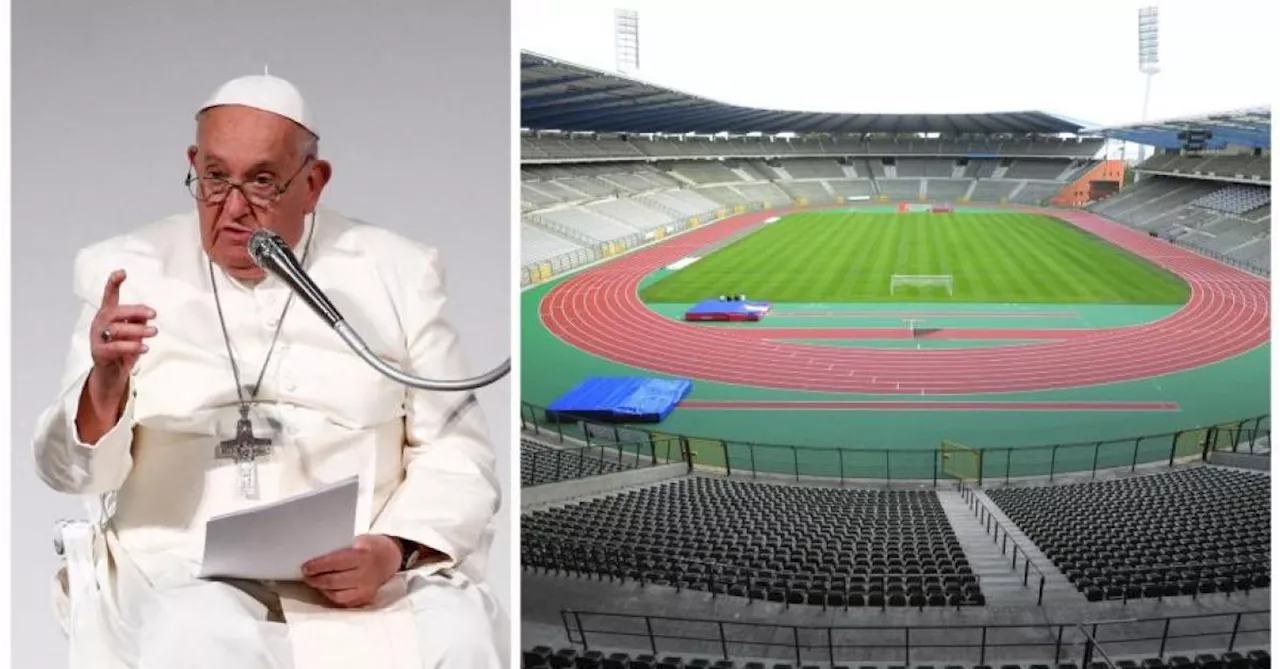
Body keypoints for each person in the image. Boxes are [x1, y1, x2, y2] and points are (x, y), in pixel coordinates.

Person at [31, 72, 506, 669]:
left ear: (313, 183)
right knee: (193, 639)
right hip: (181, 570)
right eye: (214, 178)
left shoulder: (398, 273)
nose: (232, 209)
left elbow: (459, 454)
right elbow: (71, 473)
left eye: (261, 182)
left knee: (458, 639)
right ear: (193, 165)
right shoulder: (127, 270)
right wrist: (104, 385)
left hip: (370, 572)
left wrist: (395, 549)